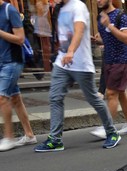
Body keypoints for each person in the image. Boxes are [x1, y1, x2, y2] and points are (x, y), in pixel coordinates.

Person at [35, 0, 120, 152]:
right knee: (55, 97)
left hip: (80, 63)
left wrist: (71, 51)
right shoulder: (61, 9)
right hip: (63, 63)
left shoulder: (78, 6)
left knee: (93, 98)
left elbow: (79, 31)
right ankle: (55, 139)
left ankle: (112, 132)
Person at [90, 0, 127, 139]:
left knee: (111, 93)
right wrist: (97, 40)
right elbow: (108, 39)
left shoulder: (120, 16)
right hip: (109, 60)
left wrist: (110, 27)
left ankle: (108, 128)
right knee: (121, 93)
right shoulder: (100, 17)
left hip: (121, 60)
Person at [0, 0, 37, 152]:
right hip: (2, 62)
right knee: (15, 98)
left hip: (12, 61)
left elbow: (20, 39)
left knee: (2, 98)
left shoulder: (10, 10)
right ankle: (29, 135)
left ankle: (9, 137)